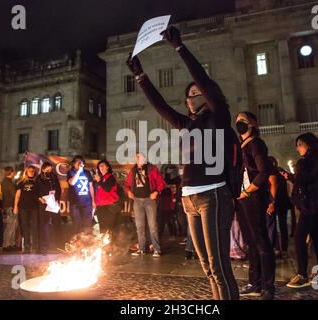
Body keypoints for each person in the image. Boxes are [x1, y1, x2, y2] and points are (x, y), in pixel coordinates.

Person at [126, 26, 240, 300]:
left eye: (196, 92)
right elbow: (161, 107)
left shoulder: (218, 116)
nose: (191, 97)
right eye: (189, 94)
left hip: (213, 193)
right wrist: (140, 76)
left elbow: (203, 80)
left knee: (219, 265)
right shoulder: (186, 124)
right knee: (207, 268)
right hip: (189, 199)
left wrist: (179, 47)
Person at [282, 133, 318, 289]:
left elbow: (313, 179)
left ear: (308, 145)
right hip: (312, 203)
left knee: (299, 237)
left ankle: (302, 275)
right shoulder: (313, 159)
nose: (298, 148)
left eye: (300, 144)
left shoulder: (314, 159)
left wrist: (299, 172)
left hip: (311, 204)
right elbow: (305, 180)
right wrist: (291, 177)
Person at [234, 111, 276, 300]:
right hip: (242, 199)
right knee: (251, 243)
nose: (238, 124)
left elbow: (263, 172)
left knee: (261, 243)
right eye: (236, 121)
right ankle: (254, 282)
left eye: (242, 121)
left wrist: (249, 190)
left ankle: (268, 286)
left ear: (252, 124)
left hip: (254, 197)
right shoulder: (241, 146)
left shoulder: (256, 144)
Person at [125, 153, 165, 257]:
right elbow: (128, 184)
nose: (139, 158)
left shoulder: (151, 168)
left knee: (152, 225)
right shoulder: (133, 170)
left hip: (149, 200)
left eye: (141, 157)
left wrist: (156, 192)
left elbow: (161, 183)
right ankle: (142, 248)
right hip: (137, 200)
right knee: (139, 226)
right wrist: (129, 191)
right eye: (137, 157)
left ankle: (157, 249)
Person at [93, 160, 122, 254]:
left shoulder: (110, 177)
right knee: (102, 228)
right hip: (101, 206)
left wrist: (99, 181)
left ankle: (111, 249)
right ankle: (105, 249)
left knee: (109, 228)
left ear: (107, 167)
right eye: (99, 166)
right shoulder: (102, 178)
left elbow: (107, 188)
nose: (100, 168)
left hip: (109, 206)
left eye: (102, 166)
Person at [35, 162, 62, 254]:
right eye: (47, 170)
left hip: (53, 202)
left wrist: (57, 198)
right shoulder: (39, 178)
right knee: (44, 225)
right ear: (43, 169)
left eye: (50, 170)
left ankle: (59, 246)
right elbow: (35, 191)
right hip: (44, 202)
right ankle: (43, 247)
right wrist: (40, 198)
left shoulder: (54, 177)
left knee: (57, 223)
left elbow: (58, 188)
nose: (49, 171)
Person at [267, 156, 291, 258]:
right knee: (281, 226)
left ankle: (277, 248)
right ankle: (282, 249)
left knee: (274, 226)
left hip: (276, 202)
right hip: (282, 201)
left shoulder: (270, 172)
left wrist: (271, 202)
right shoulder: (281, 171)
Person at [67, 155, 96, 235]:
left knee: (87, 225)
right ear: (74, 163)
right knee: (77, 225)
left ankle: (87, 244)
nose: (80, 163)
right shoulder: (71, 172)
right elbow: (72, 182)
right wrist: (79, 171)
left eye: (81, 162)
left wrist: (93, 201)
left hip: (87, 202)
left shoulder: (87, 173)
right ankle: (77, 245)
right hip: (75, 203)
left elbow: (91, 187)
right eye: (78, 162)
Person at [14, 166, 39, 254]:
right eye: (30, 171)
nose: (31, 172)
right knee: (25, 226)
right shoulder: (21, 182)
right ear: (26, 172)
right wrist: (15, 207)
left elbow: (40, 194)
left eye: (33, 171)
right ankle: (27, 246)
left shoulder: (37, 181)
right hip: (23, 207)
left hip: (34, 207)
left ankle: (35, 246)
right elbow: (17, 195)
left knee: (35, 226)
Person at [1, 167, 18, 253]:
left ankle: (11, 244)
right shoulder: (8, 183)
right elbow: (13, 195)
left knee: (12, 226)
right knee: (10, 226)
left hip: (7, 205)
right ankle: (6, 245)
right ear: (11, 173)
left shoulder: (5, 182)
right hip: (10, 205)